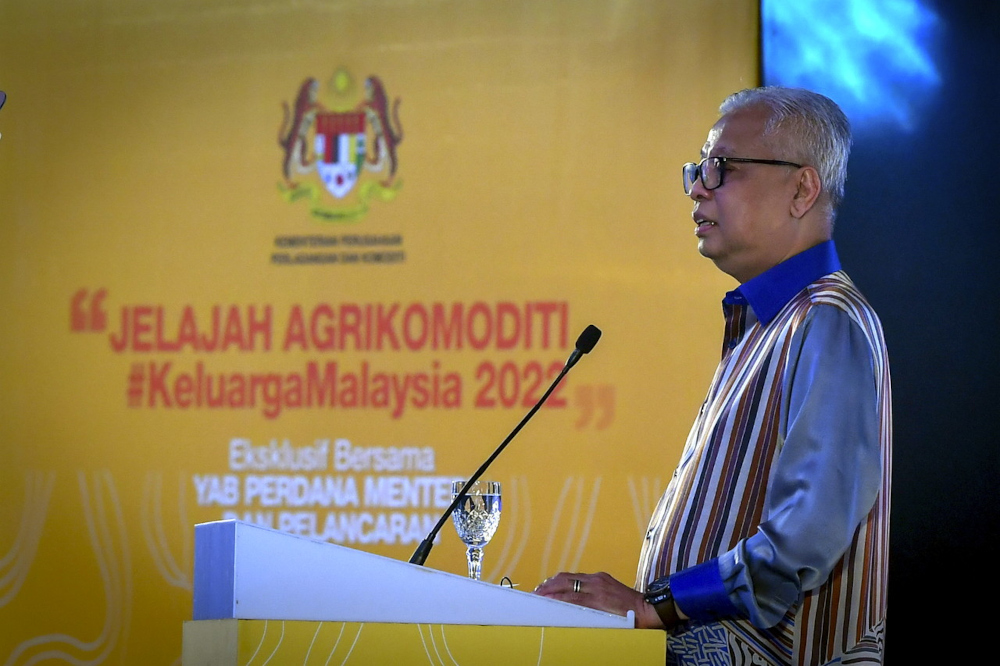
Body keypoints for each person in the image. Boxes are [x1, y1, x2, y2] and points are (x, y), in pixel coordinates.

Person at [533, 86, 891, 666]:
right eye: (698, 169)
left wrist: (659, 605)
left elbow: (808, 533)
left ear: (802, 189)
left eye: (720, 168)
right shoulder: (765, 324)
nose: (698, 187)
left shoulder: (828, 318)